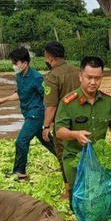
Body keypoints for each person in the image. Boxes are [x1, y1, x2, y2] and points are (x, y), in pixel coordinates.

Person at [54, 56, 111, 221]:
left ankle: (93, 218)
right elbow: (59, 131)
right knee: (80, 193)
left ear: (101, 78)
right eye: (89, 77)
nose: (93, 82)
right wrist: (75, 134)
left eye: (97, 78)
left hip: (97, 157)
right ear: (80, 76)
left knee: (97, 192)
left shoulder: (107, 101)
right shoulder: (69, 102)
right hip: (74, 157)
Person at [0, 47, 50, 182]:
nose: (14, 65)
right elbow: (20, 93)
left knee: (21, 141)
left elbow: (48, 96)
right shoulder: (19, 76)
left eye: (16, 62)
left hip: (36, 114)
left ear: (25, 63)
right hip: (27, 113)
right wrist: (4, 100)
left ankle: (20, 173)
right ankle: (65, 160)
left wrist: (50, 118)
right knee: (47, 140)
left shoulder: (37, 77)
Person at [40, 41, 82, 198]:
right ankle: (83, 185)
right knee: (80, 153)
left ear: (50, 58)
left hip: (63, 124)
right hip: (81, 120)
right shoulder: (77, 71)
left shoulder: (52, 76)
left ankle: (69, 190)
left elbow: (51, 106)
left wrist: (46, 127)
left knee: (64, 155)